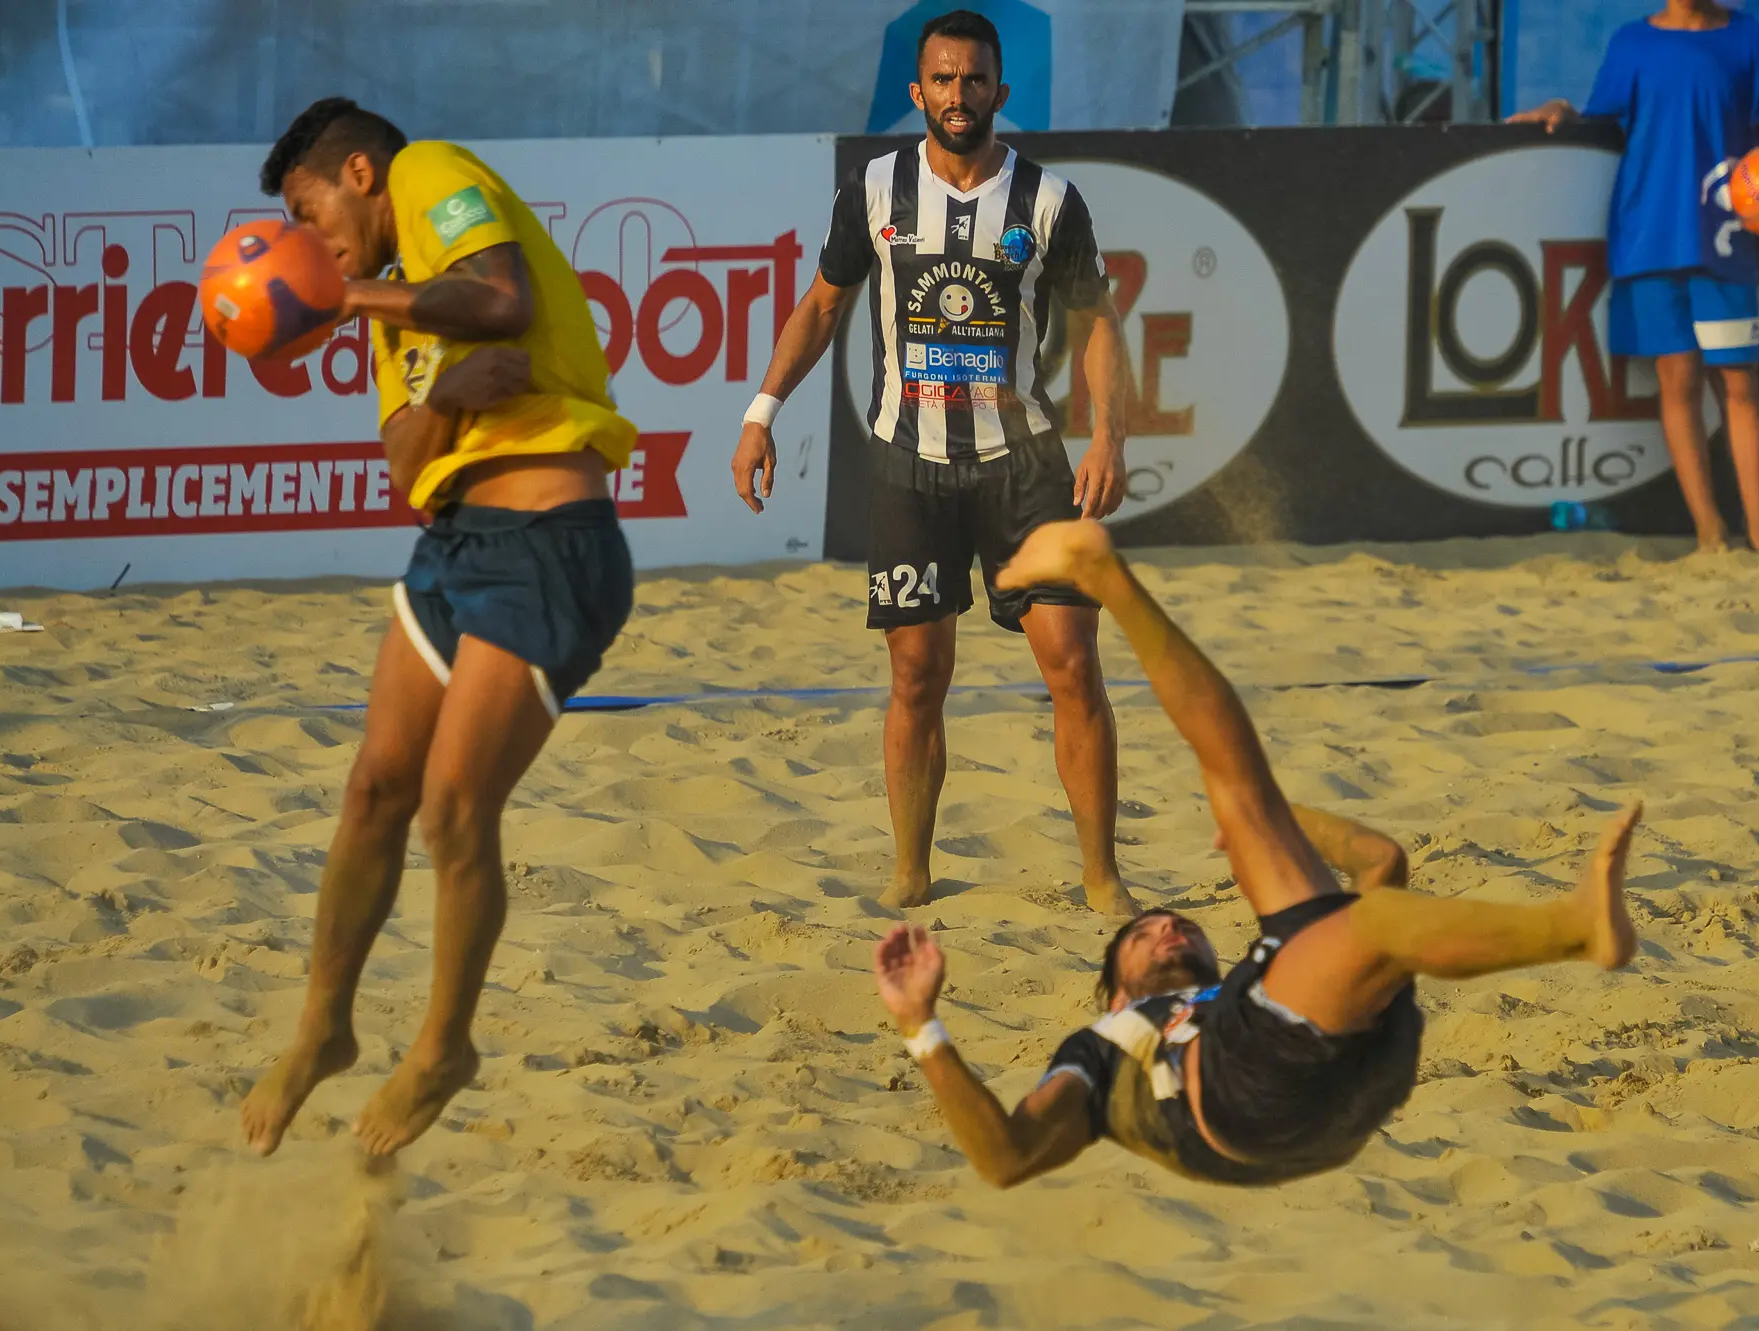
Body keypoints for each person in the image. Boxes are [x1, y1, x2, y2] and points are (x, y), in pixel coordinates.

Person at [873, 519, 1642, 1188]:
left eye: (1174, 928)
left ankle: (1103, 572)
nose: (1168, 928)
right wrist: (922, 1027)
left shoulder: (1253, 976)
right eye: (1144, 937)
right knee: (1337, 891)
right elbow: (1006, 1159)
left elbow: (1380, 858)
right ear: (1114, 992)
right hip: (1245, 1101)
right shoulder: (1104, 1048)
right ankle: (1574, 929)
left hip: (1344, 1068)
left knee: (1273, 818)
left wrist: (1277, 818)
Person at [238, 98, 639, 1157]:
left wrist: (335, 290)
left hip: (553, 537)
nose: (305, 233)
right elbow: (408, 467)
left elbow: (502, 299)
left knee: (455, 811)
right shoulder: (393, 310)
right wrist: (449, 390)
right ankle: (323, 1024)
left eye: (306, 206)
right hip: (451, 546)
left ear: (358, 173)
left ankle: (443, 1046)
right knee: (374, 787)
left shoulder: (425, 176)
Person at [729, 9, 1139, 915]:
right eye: (943, 81)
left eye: (975, 79)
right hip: (910, 465)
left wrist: (1110, 432)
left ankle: (1103, 875)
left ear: (1001, 89)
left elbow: (1096, 321)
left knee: (1073, 666)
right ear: (919, 92)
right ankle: (912, 868)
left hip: (1025, 467)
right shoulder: (873, 190)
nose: (960, 96)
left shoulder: (1050, 200)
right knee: (918, 675)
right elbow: (822, 307)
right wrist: (762, 412)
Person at [1510, 0, 1759, 567]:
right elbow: (1599, 120)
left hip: (1725, 245)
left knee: (1739, 386)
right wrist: (1562, 108)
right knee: (1679, 381)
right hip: (1648, 240)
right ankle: (1710, 532)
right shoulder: (1631, 44)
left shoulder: (1749, 40)